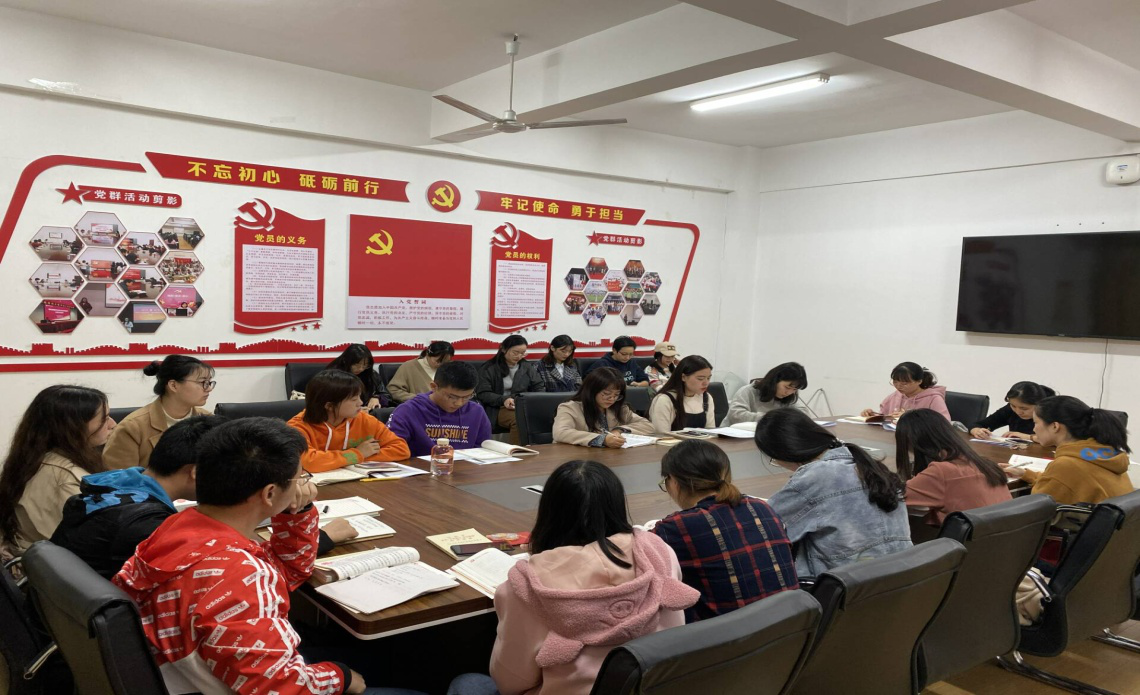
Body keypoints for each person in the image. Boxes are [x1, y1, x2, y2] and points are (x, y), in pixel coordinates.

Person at [113, 418, 422, 695]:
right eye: (300, 478)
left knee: (377, 659)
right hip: (232, 683)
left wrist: (297, 512)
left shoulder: (177, 528)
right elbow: (279, 688)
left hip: (187, 673)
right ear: (270, 493)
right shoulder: (238, 573)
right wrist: (340, 677)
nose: (304, 485)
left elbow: (286, 574)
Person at [453, 460, 698, 695]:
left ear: (548, 512)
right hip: (656, 688)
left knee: (467, 683)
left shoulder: (525, 588)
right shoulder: (660, 552)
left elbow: (510, 683)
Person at [55, 416, 356, 579]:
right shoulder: (150, 529)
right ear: (199, 471)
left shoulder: (117, 489)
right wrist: (321, 537)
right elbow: (269, 576)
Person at [653, 440, 798, 622]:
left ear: (674, 481)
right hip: (791, 625)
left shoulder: (675, 528)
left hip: (730, 635)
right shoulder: (762, 507)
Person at [755, 409, 911, 577]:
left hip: (848, 585)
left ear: (785, 452)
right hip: (901, 577)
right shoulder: (866, 463)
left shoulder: (815, 477)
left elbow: (763, 526)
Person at [0, 385, 115, 557]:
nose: (113, 424)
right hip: (58, 566)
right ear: (73, 426)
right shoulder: (67, 478)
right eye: (104, 419)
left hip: (38, 562)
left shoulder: (30, 460)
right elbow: (95, 544)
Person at [1005, 395, 1133, 505]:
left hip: (1085, 525)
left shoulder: (1066, 464)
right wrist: (1025, 474)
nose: (1034, 429)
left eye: (1036, 423)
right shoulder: (1102, 452)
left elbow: (1036, 508)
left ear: (1055, 426)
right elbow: (1062, 481)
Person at [894, 409, 1012, 526]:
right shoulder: (984, 463)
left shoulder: (941, 472)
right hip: (1003, 534)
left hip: (971, 537)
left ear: (910, 442)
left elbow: (893, 498)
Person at [103, 355, 214, 469]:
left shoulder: (209, 420)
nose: (209, 388)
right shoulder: (132, 428)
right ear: (173, 385)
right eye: (203, 382)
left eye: (209, 382)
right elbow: (120, 477)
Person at [287, 370, 410, 472]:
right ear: (329, 405)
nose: (360, 403)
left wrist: (356, 457)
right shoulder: (297, 427)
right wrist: (358, 453)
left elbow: (401, 449)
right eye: (353, 399)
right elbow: (307, 462)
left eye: (359, 397)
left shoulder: (364, 420)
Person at [387, 360, 492, 458]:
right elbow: (392, 449)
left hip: (464, 468)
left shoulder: (476, 412)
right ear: (434, 387)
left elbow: (483, 450)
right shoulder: (408, 411)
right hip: (422, 469)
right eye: (452, 397)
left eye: (467, 397)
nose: (459, 403)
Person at [553, 367, 654, 447]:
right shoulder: (570, 408)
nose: (612, 399)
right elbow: (560, 432)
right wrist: (602, 439)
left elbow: (648, 426)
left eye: (616, 395)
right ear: (592, 390)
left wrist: (619, 430)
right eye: (606, 394)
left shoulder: (620, 408)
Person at [475, 335, 545, 444]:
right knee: (519, 420)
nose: (519, 356)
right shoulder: (489, 368)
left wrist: (532, 400)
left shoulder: (526, 367)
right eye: (515, 352)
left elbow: (539, 386)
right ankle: (517, 451)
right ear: (503, 349)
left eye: (523, 353)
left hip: (522, 405)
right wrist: (504, 399)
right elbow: (483, 393)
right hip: (497, 408)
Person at [723, 362, 808, 426]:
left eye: (794, 389)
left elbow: (803, 414)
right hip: (732, 438)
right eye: (787, 387)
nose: (789, 392)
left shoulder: (789, 397)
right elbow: (736, 415)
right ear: (775, 380)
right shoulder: (748, 391)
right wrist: (771, 418)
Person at [861, 361, 950, 421]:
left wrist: (909, 418)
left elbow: (944, 424)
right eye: (895, 382)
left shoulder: (933, 398)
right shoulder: (896, 396)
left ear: (919, 381)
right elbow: (884, 417)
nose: (898, 386)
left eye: (904, 383)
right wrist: (872, 415)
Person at [648, 355, 716, 434]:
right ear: (683, 377)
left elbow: (711, 433)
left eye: (708, 378)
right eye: (700, 378)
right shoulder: (665, 400)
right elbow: (661, 435)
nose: (706, 383)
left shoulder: (707, 398)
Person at [970, 381, 1056, 440]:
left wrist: (1027, 437)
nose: (1018, 412)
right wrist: (976, 430)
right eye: (1013, 406)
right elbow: (979, 424)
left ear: (1039, 404)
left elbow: (1058, 440)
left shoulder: (1053, 412)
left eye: (1024, 408)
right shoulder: (1010, 410)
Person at [327, 343, 392, 409]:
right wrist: (357, 409)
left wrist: (377, 398)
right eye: (357, 365)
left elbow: (387, 396)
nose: (361, 369)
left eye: (365, 365)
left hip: (369, 412)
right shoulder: (333, 375)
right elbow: (330, 401)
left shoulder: (371, 374)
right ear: (345, 361)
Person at [387, 341, 455, 404]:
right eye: (438, 361)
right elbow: (393, 390)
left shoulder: (449, 368)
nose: (440, 365)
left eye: (445, 362)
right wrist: (418, 399)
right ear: (428, 354)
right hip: (420, 408)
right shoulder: (409, 367)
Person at [583, 336, 649, 386]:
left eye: (631, 354)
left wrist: (639, 385)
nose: (627, 357)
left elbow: (645, 380)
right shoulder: (602, 364)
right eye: (624, 354)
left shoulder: (632, 362)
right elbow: (587, 382)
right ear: (614, 350)